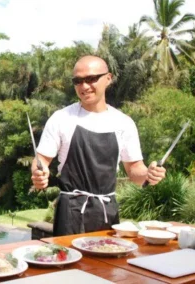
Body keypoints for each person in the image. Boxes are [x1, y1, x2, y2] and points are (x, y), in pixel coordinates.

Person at [31, 55, 166, 236]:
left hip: (107, 211)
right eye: (78, 81)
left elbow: (135, 170)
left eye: (91, 79)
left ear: (108, 79)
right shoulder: (61, 118)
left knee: (106, 262)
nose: (84, 86)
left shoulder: (124, 123)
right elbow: (41, 159)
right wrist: (39, 172)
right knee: (68, 263)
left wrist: (149, 175)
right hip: (70, 211)